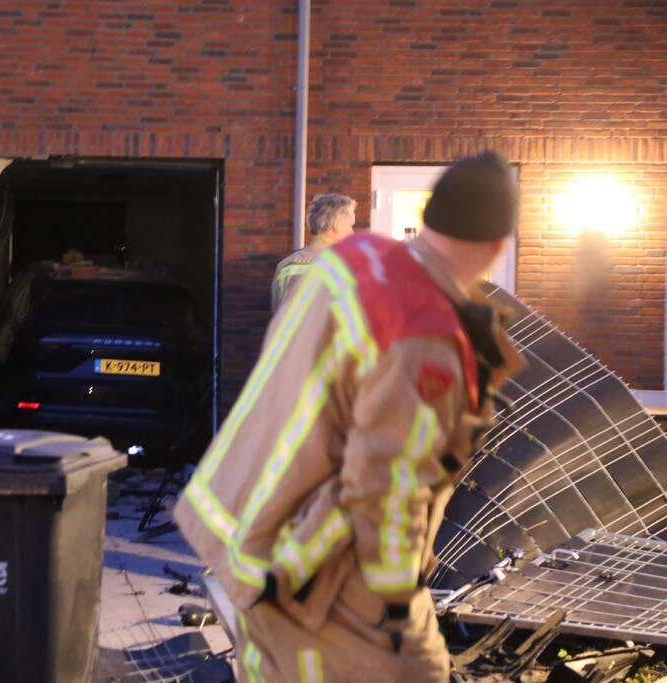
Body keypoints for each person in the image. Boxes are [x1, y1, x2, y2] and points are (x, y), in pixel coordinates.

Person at [175, 152, 526, 682]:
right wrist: (403, 631)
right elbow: (385, 493)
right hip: (308, 582)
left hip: (241, 538)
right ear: (498, 245)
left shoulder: (349, 261)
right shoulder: (431, 333)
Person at [271, 193, 357, 313]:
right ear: (336, 224)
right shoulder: (345, 268)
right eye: (350, 225)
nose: (352, 232)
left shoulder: (285, 266)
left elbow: (278, 316)